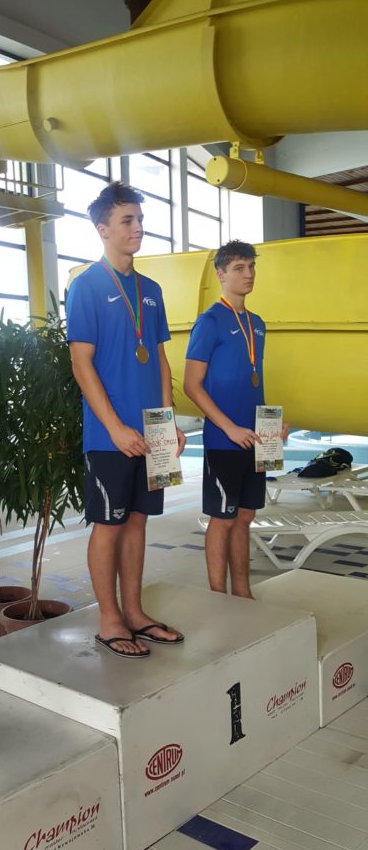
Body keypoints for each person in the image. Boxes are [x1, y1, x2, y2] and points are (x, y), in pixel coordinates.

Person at [66, 181, 186, 659]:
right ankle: (109, 618)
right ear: (102, 229)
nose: (138, 227)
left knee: (138, 522)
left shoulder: (151, 291)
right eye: (127, 220)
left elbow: (159, 360)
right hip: (108, 435)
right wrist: (115, 427)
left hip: (150, 432)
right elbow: (81, 364)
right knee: (109, 524)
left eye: (139, 219)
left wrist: (167, 422)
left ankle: (134, 612)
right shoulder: (86, 286)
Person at [184, 240, 289, 599]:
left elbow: (252, 383)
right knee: (223, 517)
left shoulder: (256, 324)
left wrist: (272, 426)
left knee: (245, 516)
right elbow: (192, 385)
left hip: (255, 438)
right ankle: (218, 596)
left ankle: (243, 593)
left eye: (251, 267)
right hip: (223, 438)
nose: (249, 274)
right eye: (239, 268)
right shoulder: (209, 322)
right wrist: (227, 427)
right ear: (221, 274)